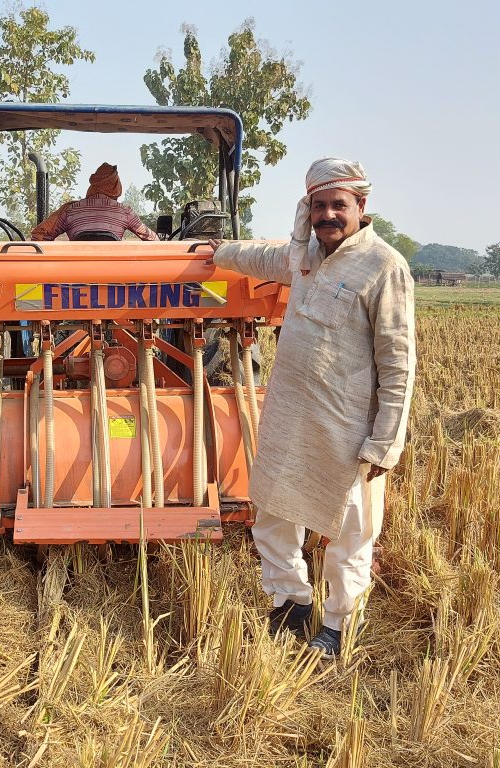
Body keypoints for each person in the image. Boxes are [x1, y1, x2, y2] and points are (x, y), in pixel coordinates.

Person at [208, 157, 415, 659]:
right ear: (308, 209)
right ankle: (290, 602)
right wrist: (212, 250)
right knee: (274, 513)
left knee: (350, 531)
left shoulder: (384, 266)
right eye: (318, 205)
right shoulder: (303, 258)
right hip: (288, 418)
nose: (328, 214)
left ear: (360, 206)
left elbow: (398, 361)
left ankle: (340, 625)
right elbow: (256, 258)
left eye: (338, 205)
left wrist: (385, 442)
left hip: (346, 429)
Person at [30, 163, 159, 242]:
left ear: (93, 185)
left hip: (74, 278)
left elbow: (39, 235)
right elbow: (153, 240)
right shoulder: (125, 212)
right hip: (115, 279)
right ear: (116, 187)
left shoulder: (70, 210)